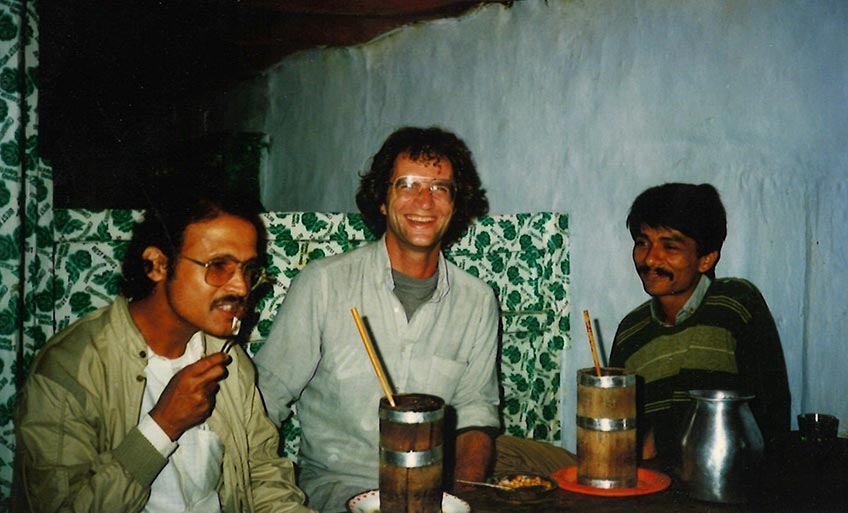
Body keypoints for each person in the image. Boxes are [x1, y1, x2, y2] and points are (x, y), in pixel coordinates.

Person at [15, 187, 315, 513]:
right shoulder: (70, 367)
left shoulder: (230, 361)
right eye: (219, 266)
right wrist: (161, 427)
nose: (241, 287)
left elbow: (264, 479)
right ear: (157, 265)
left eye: (248, 270)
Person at [255, 126, 503, 512]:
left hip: (432, 497)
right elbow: (264, 401)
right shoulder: (324, 284)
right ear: (383, 201)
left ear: (456, 205)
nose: (424, 200)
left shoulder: (478, 301)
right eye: (407, 184)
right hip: (335, 493)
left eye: (440, 188)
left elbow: (475, 414)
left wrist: (462, 500)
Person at [609, 183, 791, 460]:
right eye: (642, 242)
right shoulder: (631, 331)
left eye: (670, 247)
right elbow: (621, 430)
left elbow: (771, 411)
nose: (650, 258)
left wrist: (661, 439)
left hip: (726, 480)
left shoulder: (735, 303)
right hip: (649, 488)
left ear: (706, 259)